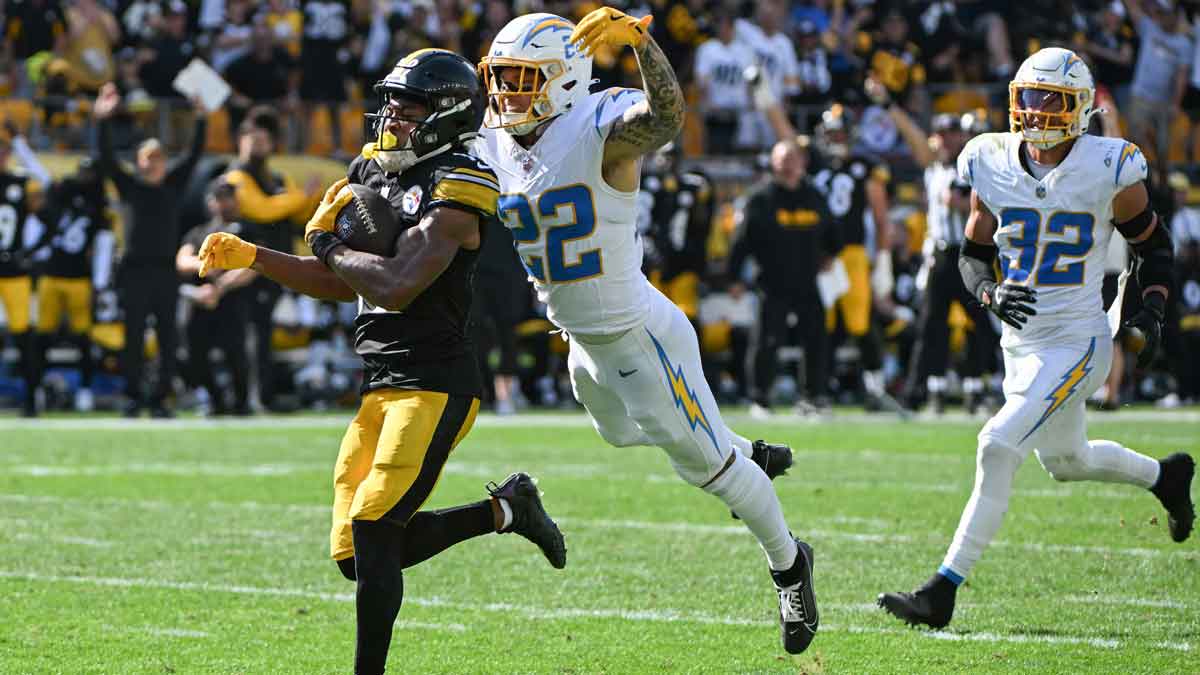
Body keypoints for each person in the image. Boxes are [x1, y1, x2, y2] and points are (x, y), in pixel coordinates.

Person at [196, 49, 566, 675]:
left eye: (410, 102)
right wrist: (255, 256)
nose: (393, 112)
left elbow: (397, 284)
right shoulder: (372, 170)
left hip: (437, 382)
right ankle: (507, 510)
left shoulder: (462, 183)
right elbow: (346, 281)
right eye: (391, 98)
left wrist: (328, 242)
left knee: (373, 524)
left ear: (446, 113)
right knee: (353, 553)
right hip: (380, 379)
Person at [477, 9, 818, 654]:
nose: (507, 94)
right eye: (501, 79)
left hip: (639, 336)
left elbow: (666, 119)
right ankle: (739, 444)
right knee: (618, 433)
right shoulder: (495, 141)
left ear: (566, 79)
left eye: (523, 78)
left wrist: (643, 44)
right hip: (582, 339)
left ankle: (789, 562)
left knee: (706, 469)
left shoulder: (598, 127)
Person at [878, 48, 1195, 630]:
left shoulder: (1109, 165)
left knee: (997, 444)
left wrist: (1150, 312)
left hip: (1079, 340)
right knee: (1067, 460)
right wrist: (989, 294)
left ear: (1078, 108)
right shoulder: (990, 159)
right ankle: (1166, 477)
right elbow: (973, 254)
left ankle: (942, 590)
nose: (1035, 110)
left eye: (1051, 99)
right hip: (1021, 345)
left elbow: (1157, 247)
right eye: (1027, 96)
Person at [880, 84, 1000, 413]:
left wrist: (963, 204)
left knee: (978, 320)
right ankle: (926, 390)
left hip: (970, 254)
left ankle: (977, 386)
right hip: (940, 254)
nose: (946, 140)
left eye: (952, 134)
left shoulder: (974, 168)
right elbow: (917, 143)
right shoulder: (934, 167)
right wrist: (892, 107)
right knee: (931, 324)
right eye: (942, 135)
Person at [94, 82, 206, 418]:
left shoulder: (173, 185)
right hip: (133, 269)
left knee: (168, 338)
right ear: (139, 162)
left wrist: (200, 118)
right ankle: (132, 396)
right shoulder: (129, 187)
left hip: (164, 271)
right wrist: (102, 120)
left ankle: (161, 398)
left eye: (157, 157)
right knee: (132, 337)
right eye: (146, 157)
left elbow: (194, 155)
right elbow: (107, 157)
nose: (152, 163)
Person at [731, 138, 839, 417]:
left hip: (807, 280)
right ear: (773, 163)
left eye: (792, 159)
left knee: (815, 338)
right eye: (782, 160)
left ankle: (813, 397)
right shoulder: (760, 198)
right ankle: (760, 398)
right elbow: (741, 241)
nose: (787, 166)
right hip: (772, 281)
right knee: (767, 340)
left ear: (802, 163)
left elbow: (832, 232)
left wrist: (830, 254)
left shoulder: (814, 196)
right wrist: (735, 277)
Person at [222, 105, 320, 411]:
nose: (258, 145)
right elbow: (262, 209)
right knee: (249, 334)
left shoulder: (278, 177)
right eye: (252, 139)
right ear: (241, 142)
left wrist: (314, 198)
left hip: (278, 265)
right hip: (250, 264)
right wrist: (302, 196)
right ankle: (250, 396)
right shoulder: (237, 176)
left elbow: (298, 213)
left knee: (265, 333)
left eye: (263, 140)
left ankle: (264, 394)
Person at [810, 103, 898, 411]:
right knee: (822, 325)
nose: (835, 139)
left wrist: (884, 257)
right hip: (819, 255)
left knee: (860, 323)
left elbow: (881, 216)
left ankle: (875, 387)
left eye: (839, 133)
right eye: (830, 133)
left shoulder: (865, 165)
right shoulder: (812, 163)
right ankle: (820, 388)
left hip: (853, 254)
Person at [34, 157, 114, 412]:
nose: (83, 178)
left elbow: (102, 248)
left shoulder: (98, 209)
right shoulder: (60, 196)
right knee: (42, 337)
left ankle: (85, 389)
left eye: (88, 174)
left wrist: (99, 284)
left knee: (83, 340)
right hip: (52, 275)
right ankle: (35, 388)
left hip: (79, 279)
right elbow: (41, 175)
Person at [175, 178, 256, 415]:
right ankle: (214, 399)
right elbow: (182, 260)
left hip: (232, 300)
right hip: (200, 301)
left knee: (236, 354)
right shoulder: (199, 232)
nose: (223, 203)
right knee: (193, 355)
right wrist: (207, 264)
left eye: (227, 197)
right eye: (218, 198)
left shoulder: (247, 229)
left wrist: (220, 287)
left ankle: (241, 403)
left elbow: (252, 267)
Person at [0, 122, 50, 416]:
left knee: (23, 336)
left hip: (15, 272)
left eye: (4, 151)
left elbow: (46, 182)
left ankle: (32, 400)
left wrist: (21, 145)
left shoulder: (19, 182)